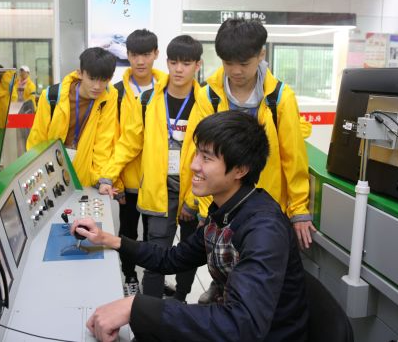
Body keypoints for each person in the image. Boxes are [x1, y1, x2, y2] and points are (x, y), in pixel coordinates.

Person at [73, 111, 309, 342]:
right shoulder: (225, 212)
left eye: (207, 158)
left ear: (240, 169)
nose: (194, 165)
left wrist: (136, 307)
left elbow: (241, 324)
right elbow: (171, 259)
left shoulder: (264, 229)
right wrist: (108, 239)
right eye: (197, 153)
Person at [180, 19, 315, 303]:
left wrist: (298, 210)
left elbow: (293, 156)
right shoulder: (208, 96)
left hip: (264, 203)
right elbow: (197, 154)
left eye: (244, 63)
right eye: (228, 63)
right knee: (223, 259)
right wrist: (205, 208)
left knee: (257, 272)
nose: (236, 71)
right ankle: (221, 292)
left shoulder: (280, 98)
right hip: (223, 201)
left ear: (261, 54)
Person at [100, 35, 203, 301]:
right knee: (156, 254)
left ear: (198, 65)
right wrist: (108, 175)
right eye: (174, 62)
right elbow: (128, 143)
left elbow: (213, 154)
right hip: (159, 190)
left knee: (190, 253)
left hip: (195, 190)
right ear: (166, 62)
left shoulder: (206, 103)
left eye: (186, 63)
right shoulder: (148, 100)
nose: (179, 69)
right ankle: (151, 310)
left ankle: (180, 299)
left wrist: (194, 200)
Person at [99, 29, 163, 296]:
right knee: (127, 234)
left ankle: (152, 279)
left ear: (156, 54)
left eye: (146, 54)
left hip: (157, 181)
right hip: (128, 180)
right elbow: (113, 139)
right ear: (127, 55)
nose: (140, 61)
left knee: (154, 236)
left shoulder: (166, 88)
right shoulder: (115, 93)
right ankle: (129, 276)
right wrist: (117, 181)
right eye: (135, 55)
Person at [26, 47, 118, 187]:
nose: (97, 86)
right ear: (80, 74)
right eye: (92, 79)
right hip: (50, 173)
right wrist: (36, 176)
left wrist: (99, 179)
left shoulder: (108, 97)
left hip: (85, 174)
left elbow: (103, 142)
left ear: (110, 78)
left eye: (103, 80)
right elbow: (37, 140)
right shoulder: (51, 96)